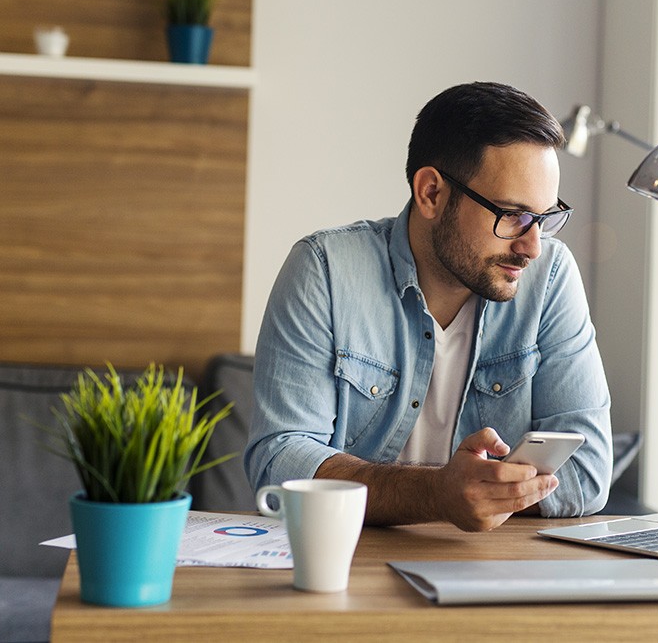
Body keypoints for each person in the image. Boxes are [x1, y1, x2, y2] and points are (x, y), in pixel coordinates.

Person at [244, 81, 612, 532]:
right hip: (348, 565)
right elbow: (279, 461)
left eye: (545, 218)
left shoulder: (550, 278)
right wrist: (437, 495)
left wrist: (478, 496)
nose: (532, 247)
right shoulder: (325, 270)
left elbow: (589, 471)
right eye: (513, 215)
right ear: (432, 193)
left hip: (492, 570)